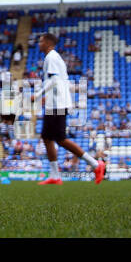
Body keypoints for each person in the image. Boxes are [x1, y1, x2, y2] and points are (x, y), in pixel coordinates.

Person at [35, 32, 105, 185]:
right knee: (47, 138)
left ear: (48, 42)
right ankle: (55, 175)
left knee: (60, 139)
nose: (39, 44)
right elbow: (58, 81)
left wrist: (38, 94)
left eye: (41, 41)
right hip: (56, 102)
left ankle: (95, 164)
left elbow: (53, 80)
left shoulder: (51, 57)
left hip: (57, 104)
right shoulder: (54, 57)